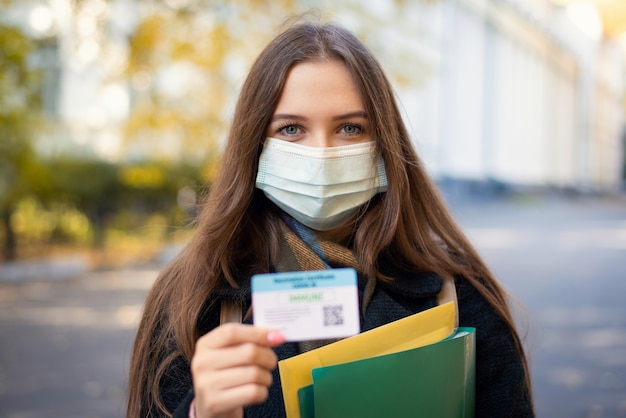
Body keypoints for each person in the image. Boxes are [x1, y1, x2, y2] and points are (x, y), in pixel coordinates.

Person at [127, 20, 535, 418]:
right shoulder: (192, 296)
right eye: (290, 129)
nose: (321, 152)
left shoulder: (458, 294)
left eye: (350, 128)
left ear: (384, 145)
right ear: (255, 146)